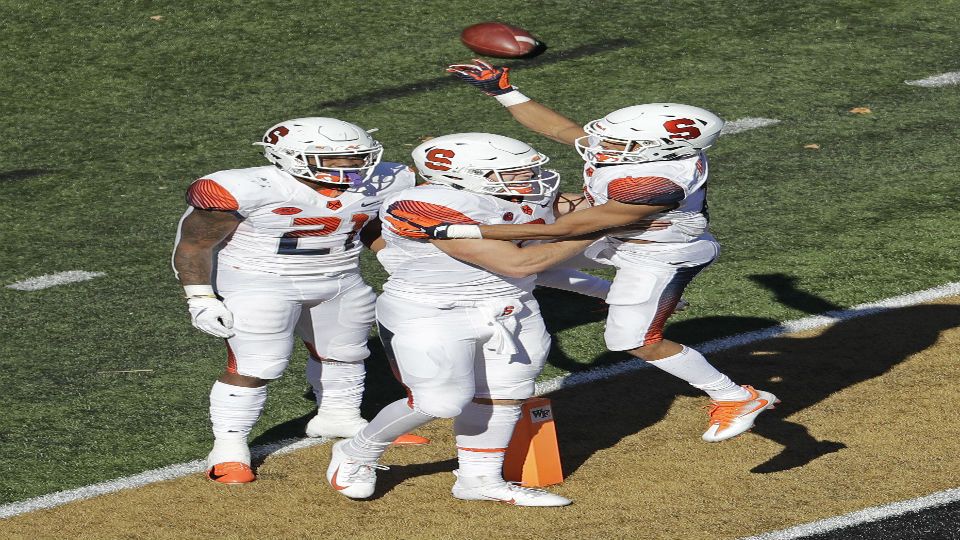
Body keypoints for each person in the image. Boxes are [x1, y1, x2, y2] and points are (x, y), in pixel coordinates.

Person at [418, 60, 779, 443]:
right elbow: (562, 130)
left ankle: (736, 397)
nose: (604, 146)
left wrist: (469, 229)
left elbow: (574, 227)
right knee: (515, 264)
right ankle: (612, 293)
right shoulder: (647, 155)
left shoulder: (659, 182)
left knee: (634, 340)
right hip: (617, 235)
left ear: (662, 149)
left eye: (622, 143)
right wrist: (505, 92)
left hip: (657, 254)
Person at [325, 133, 602, 506]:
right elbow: (517, 262)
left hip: (512, 307)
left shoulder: (527, 196)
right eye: (511, 172)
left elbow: (534, 266)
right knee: (438, 402)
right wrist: (600, 227)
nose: (529, 177)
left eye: (526, 168)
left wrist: (613, 286)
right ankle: (356, 452)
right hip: (431, 312)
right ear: (462, 176)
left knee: (506, 394)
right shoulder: (421, 204)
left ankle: (478, 480)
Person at [172, 117, 423, 484]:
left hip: (340, 277)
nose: (351, 167)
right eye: (336, 160)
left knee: (346, 352)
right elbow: (195, 244)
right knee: (258, 364)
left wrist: (391, 256)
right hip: (259, 282)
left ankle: (340, 417)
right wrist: (200, 298)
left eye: (356, 157)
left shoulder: (383, 179)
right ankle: (228, 446)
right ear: (290, 157)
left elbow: (368, 219)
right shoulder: (246, 188)